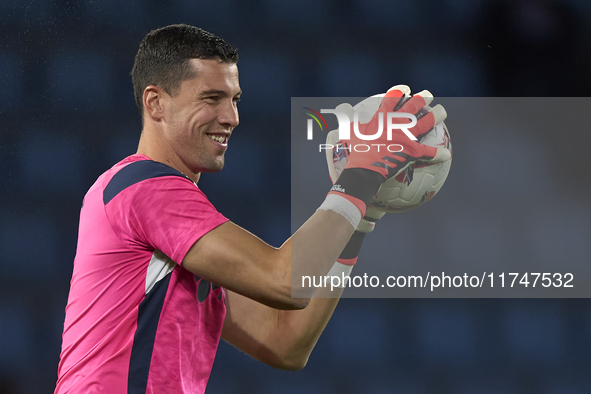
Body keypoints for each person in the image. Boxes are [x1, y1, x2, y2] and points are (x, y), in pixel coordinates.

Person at [55, 24, 450, 393]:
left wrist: (361, 217)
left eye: (234, 99)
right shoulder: (145, 188)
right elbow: (284, 281)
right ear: (156, 102)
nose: (231, 117)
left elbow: (285, 342)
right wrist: (361, 177)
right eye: (212, 98)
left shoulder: (170, 223)